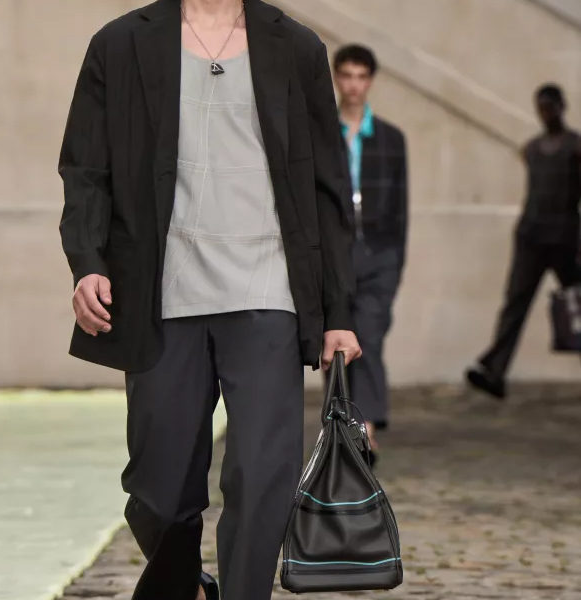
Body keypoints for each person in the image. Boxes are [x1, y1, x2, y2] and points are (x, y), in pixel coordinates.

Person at [57, 1, 361, 599]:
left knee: (263, 475)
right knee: (157, 487)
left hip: (269, 290)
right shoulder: (119, 44)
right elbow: (85, 167)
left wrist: (339, 313)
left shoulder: (296, 47)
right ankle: (187, 585)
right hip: (161, 293)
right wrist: (87, 262)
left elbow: (327, 187)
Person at [467, 84, 581, 399]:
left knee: (577, 303)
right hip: (532, 237)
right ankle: (495, 371)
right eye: (541, 107)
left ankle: (494, 365)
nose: (546, 113)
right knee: (515, 303)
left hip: (565, 239)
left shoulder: (575, 147)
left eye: (551, 106)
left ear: (562, 106)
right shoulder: (531, 149)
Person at [331, 44, 408, 461]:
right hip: (336, 255)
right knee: (339, 342)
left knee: (371, 337)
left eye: (361, 76)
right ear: (336, 78)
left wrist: (394, 263)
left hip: (379, 255)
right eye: (347, 75)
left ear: (371, 81)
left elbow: (400, 210)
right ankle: (343, 425)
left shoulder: (391, 139)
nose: (353, 85)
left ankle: (367, 431)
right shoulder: (321, 134)